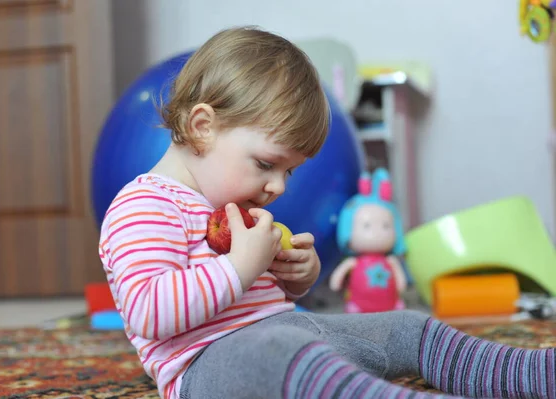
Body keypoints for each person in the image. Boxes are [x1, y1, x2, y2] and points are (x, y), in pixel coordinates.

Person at [98, 26, 555, 399]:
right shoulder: (142, 207)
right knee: (282, 353)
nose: (277, 187)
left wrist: (294, 275)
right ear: (203, 128)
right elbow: (148, 312)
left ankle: (533, 371)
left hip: (292, 330)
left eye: (289, 173)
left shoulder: (227, 207)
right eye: (266, 164)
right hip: (208, 366)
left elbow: (255, 298)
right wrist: (241, 267)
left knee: (407, 327)